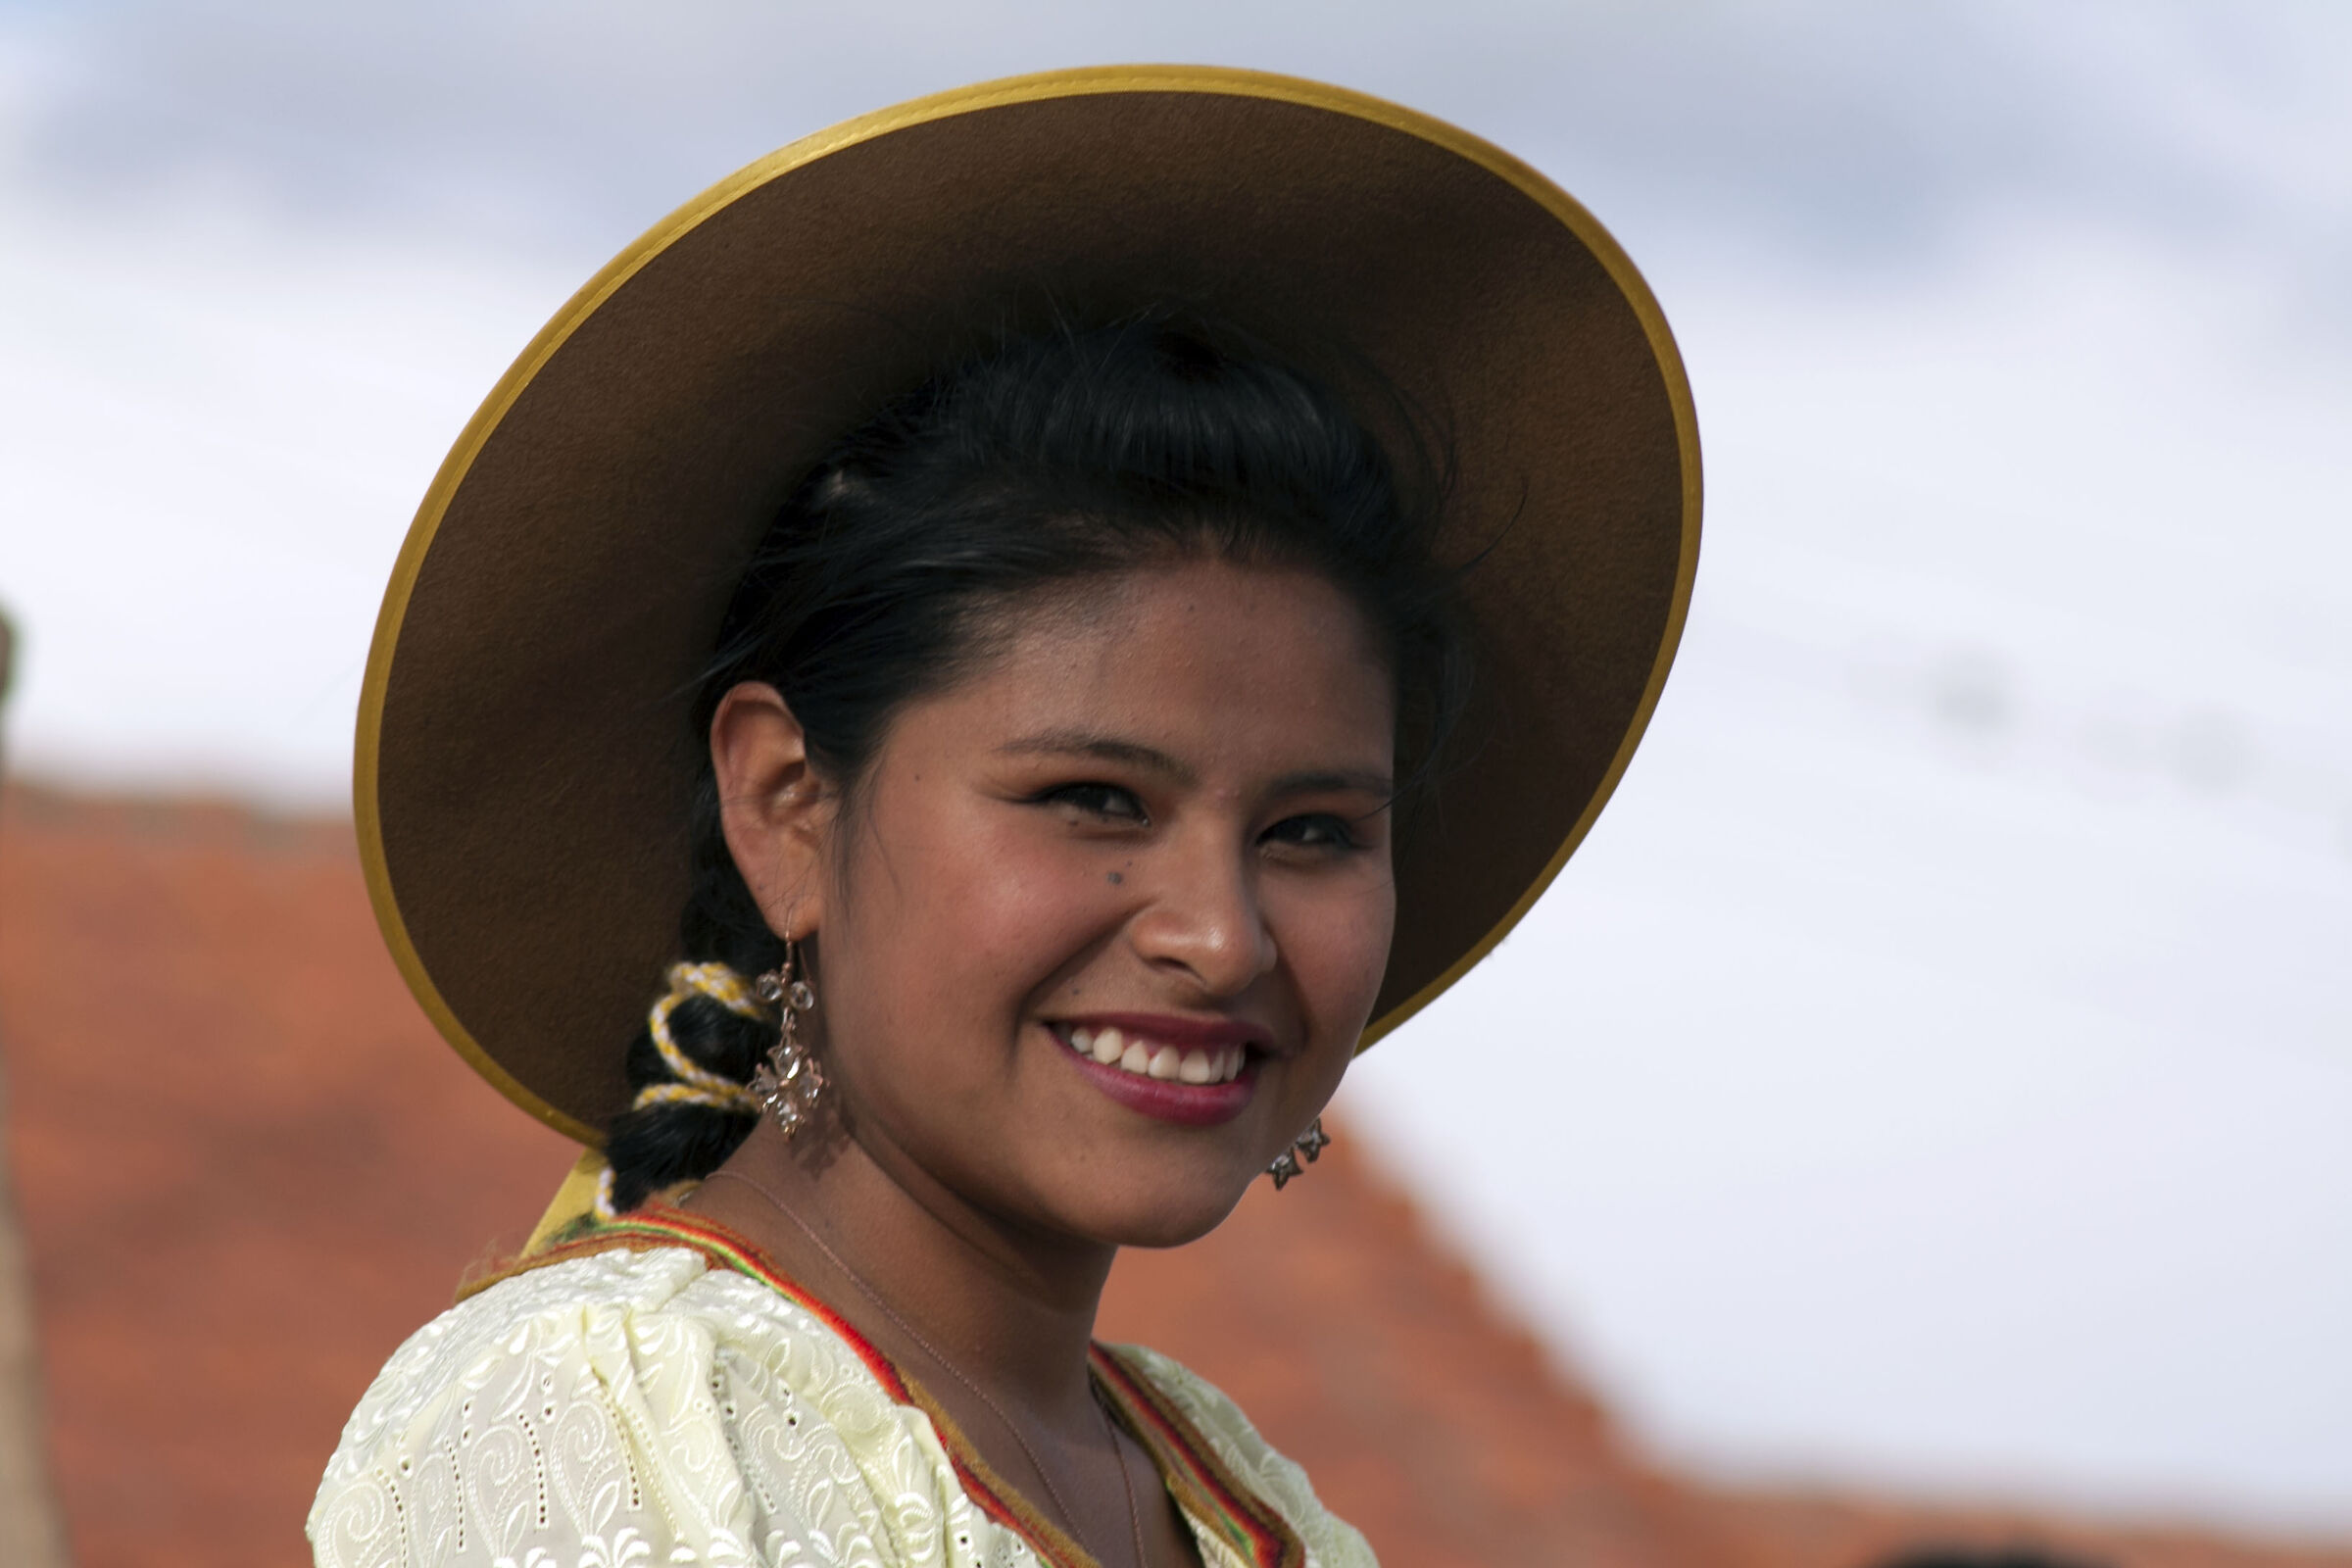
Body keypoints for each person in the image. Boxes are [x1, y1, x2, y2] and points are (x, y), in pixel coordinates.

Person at [311, 68, 1698, 1568]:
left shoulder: (1249, 1505)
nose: (1220, 935)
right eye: (1092, 799)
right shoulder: (604, 1420)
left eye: (1311, 832)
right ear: (785, 806)